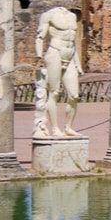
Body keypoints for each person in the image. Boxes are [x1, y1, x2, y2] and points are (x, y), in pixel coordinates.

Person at [33, 7, 83, 137]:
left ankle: (68, 127)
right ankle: (55, 128)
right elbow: (40, 37)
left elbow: (74, 42)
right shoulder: (48, 15)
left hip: (70, 55)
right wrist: (38, 57)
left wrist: (78, 64)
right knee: (54, 92)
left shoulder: (72, 16)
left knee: (74, 95)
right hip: (55, 52)